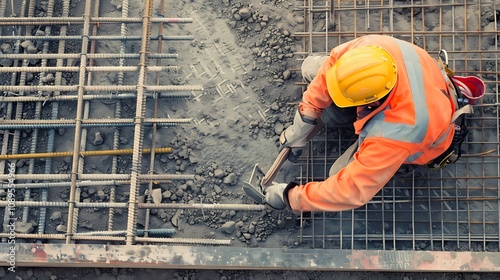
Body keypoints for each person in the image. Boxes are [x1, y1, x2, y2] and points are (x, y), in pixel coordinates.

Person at [265, 34, 485, 212]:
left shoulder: (395, 135)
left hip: (423, 132)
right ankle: (335, 114)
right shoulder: (372, 48)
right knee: (313, 68)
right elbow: (331, 66)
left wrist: (291, 196)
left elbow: (349, 191)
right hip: (423, 87)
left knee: (339, 174)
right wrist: (305, 119)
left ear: (373, 101)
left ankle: (389, 161)